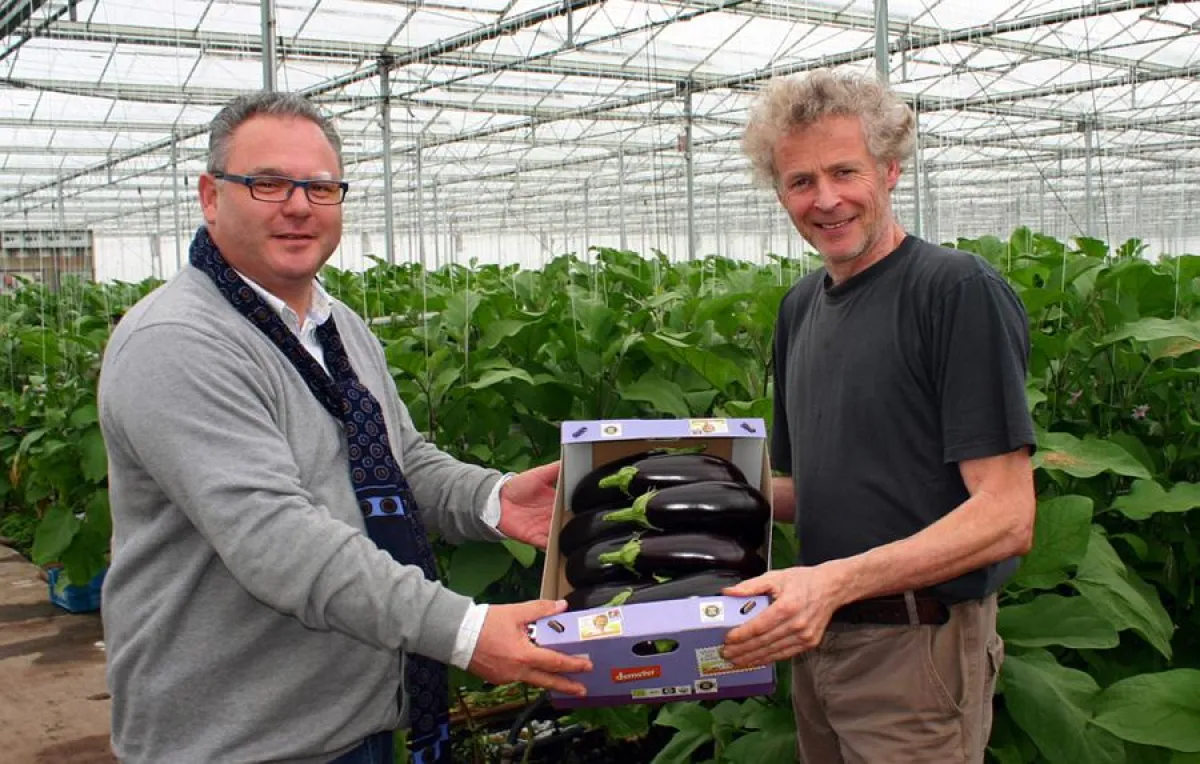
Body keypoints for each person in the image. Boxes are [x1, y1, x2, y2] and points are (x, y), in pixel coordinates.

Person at [97, 91, 590, 764]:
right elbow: (274, 537)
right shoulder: (178, 341)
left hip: (351, 718)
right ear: (212, 196)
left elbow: (396, 462)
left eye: (320, 187)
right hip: (235, 740)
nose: (299, 205)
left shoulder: (337, 327)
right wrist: (465, 631)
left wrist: (492, 499)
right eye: (268, 183)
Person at [720, 69, 1037, 763]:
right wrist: (684, 481)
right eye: (801, 181)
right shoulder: (800, 308)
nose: (825, 199)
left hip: (916, 651)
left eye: (844, 171)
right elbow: (817, 494)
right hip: (817, 639)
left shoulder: (955, 291)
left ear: (891, 169)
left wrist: (831, 581)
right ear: (779, 194)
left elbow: (1008, 515)